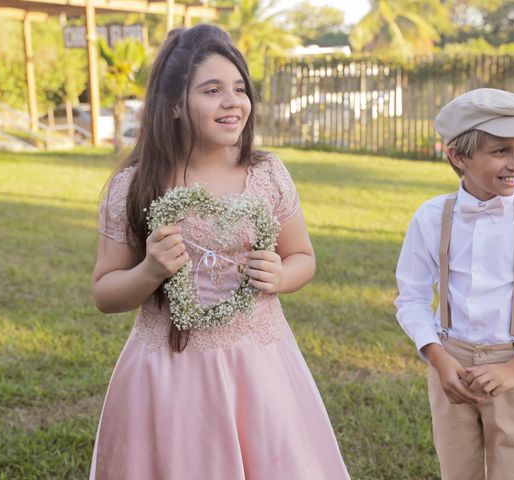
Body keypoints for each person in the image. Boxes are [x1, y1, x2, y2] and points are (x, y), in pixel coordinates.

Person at [90, 24, 349, 480]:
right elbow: (105, 293)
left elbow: (302, 257)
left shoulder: (267, 172)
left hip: (260, 367)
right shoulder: (134, 186)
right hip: (169, 372)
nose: (233, 101)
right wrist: (150, 269)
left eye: (239, 88)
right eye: (212, 90)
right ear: (172, 105)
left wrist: (281, 276)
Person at [394, 88, 514, 479]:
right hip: (451, 366)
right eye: (501, 151)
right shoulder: (432, 217)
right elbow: (412, 297)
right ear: (458, 156)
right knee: (458, 470)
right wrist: (437, 357)